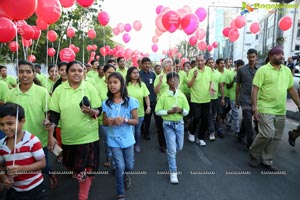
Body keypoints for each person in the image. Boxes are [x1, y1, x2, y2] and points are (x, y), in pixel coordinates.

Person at [48, 60, 101, 200]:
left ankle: (83, 195)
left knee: (87, 169)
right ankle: (77, 172)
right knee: (72, 166)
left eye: (80, 70)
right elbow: (54, 113)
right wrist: (51, 135)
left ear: (84, 72)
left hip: (89, 136)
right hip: (68, 137)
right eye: (73, 70)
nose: (77, 73)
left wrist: (91, 111)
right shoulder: (59, 89)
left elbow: (99, 110)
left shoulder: (89, 87)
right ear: (66, 72)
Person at [6, 60, 57, 190]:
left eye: (28, 71)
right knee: (24, 166)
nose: (25, 75)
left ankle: (50, 175)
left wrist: (49, 130)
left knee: (42, 164)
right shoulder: (11, 93)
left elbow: (49, 114)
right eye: (21, 71)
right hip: (17, 139)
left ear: (34, 74)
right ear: (17, 73)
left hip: (39, 138)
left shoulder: (42, 92)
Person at [249, 46, 300, 171]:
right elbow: (255, 90)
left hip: (280, 109)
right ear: (271, 57)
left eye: (282, 54)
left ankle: (267, 159)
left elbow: (291, 89)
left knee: (276, 136)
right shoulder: (263, 70)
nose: (281, 56)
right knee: (267, 134)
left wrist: (299, 104)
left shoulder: (287, 71)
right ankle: (254, 153)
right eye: (277, 54)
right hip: (265, 108)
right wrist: (255, 108)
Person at [102, 72, 138, 200]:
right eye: (110, 82)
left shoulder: (131, 101)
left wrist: (124, 120)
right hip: (113, 140)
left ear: (122, 84)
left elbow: (136, 121)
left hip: (128, 139)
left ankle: (124, 175)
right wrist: (109, 121)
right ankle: (120, 192)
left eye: (115, 82)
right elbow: (104, 122)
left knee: (129, 166)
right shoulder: (106, 103)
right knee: (120, 166)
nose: (112, 85)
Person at [0, 103, 46, 199]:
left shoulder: (32, 141)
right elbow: (1, 166)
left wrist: (21, 169)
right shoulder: (1, 144)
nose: (5, 128)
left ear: (22, 121)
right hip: (14, 189)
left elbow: (42, 163)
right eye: (1, 124)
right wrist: (3, 177)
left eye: (10, 123)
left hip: (35, 188)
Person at [155, 72, 189, 184]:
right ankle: (173, 172)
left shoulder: (182, 95)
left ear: (179, 81)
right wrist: (168, 111)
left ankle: (171, 154)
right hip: (168, 125)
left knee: (180, 147)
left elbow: (187, 111)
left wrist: (181, 110)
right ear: (167, 82)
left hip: (179, 124)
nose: (174, 82)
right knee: (172, 149)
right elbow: (157, 111)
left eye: (176, 80)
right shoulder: (164, 96)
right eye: (171, 80)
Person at [187, 54, 214, 146]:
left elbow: (211, 81)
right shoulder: (192, 71)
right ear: (196, 61)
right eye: (198, 61)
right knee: (196, 118)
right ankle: (191, 132)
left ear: (204, 60)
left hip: (206, 99)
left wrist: (211, 88)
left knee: (205, 120)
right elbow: (189, 85)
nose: (200, 62)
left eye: (201, 60)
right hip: (195, 99)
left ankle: (200, 138)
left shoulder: (209, 70)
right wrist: (194, 77)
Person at [236, 49, 259, 149]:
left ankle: (240, 135)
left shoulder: (260, 70)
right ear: (247, 57)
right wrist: (237, 99)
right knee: (248, 119)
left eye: (253, 57)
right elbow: (238, 85)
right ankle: (250, 143)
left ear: (256, 57)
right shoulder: (241, 70)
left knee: (247, 119)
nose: (252, 59)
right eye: (250, 57)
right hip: (244, 99)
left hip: (257, 99)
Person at [126, 67, 151, 152]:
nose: (136, 74)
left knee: (137, 131)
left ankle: (137, 144)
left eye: (137, 72)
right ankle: (130, 146)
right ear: (129, 74)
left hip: (139, 112)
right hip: (128, 113)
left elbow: (146, 96)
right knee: (131, 131)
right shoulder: (125, 85)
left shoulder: (142, 84)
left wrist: (148, 106)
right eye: (134, 73)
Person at [96, 64, 116, 167]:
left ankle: (116, 159)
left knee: (116, 139)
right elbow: (97, 104)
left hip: (117, 120)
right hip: (103, 119)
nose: (111, 74)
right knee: (108, 140)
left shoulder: (119, 85)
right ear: (104, 73)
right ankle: (110, 158)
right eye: (109, 72)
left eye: (113, 72)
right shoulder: (98, 86)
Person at [154, 58, 174, 152]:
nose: (172, 66)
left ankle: (171, 143)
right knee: (161, 126)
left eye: (172, 65)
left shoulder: (174, 75)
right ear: (165, 66)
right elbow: (155, 91)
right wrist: (161, 82)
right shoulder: (159, 76)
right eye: (170, 65)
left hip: (172, 104)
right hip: (161, 105)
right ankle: (163, 144)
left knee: (171, 125)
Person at [139, 57, 159, 142]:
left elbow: (155, 85)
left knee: (149, 117)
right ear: (142, 65)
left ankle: (146, 133)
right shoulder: (138, 74)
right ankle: (142, 129)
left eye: (148, 64)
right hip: (141, 99)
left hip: (152, 98)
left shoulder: (153, 74)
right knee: (142, 117)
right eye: (145, 64)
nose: (147, 65)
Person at [206, 57, 224, 141]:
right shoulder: (204, 73)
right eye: (209, 62)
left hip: (215, 98)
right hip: (205, 98)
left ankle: (210, 128)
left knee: (213, 115)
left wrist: (223, 98)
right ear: (206, 64)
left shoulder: (218, 74)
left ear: (214, 64)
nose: (211, 64)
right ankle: (212, 131)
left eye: (212, 62)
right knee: (209, 114)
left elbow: (221, 86)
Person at [226, 59, 244, 135]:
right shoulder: (230, 73)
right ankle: (237, 130)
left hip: (243, 96)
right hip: (233, 97)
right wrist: (234, 80)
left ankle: (228, 122)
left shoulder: (245, 73)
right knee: (236, 113)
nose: (239, 69)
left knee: (235, 112)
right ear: (235, 66)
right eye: (238, 67)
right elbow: (227, 86)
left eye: (241, 67)